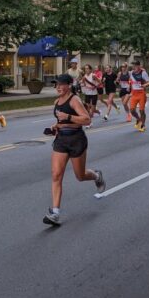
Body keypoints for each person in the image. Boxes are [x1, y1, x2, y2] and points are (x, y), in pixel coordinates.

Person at [43, 73, 105, 226]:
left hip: (76, 140)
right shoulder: (57, 101)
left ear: (69, 85)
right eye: (56, 84)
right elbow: (62, 120)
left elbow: (87, 119)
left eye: (61, 84)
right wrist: (56, 126)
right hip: (61, 140)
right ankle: (55, 213)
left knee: (80, 176)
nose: (58, 87)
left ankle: (96, 176)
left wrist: (69, 117)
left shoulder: (74, 100)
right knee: (56, 175)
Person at [129, 61, 149, 132]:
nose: (133, 67)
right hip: (134, 94)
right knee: (132, 110)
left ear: (139, 66)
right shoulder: (131, 73)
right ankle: (138, 119)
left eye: (135, 65)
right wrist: (130, 90)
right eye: (133, 65)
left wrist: (145, 85)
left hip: (141, 93)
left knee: (142, 110)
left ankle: (143, 125)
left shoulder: (143, 73)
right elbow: (130, 81)